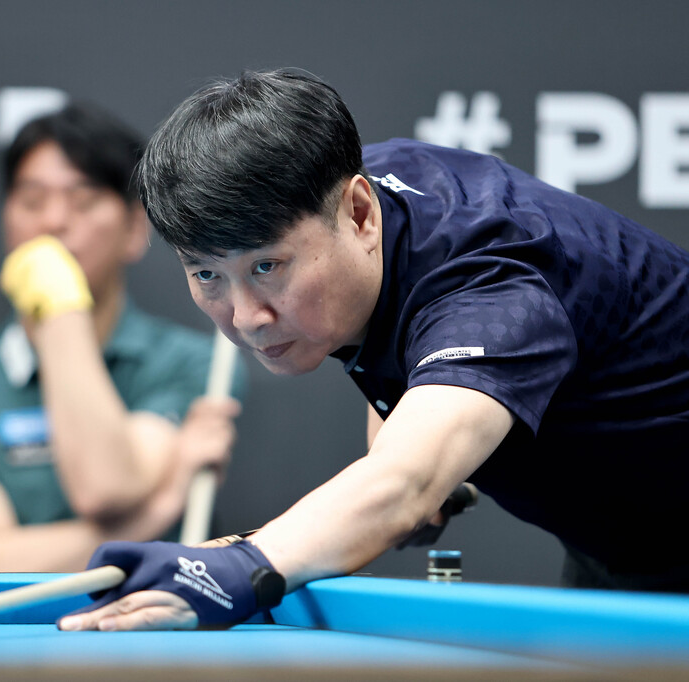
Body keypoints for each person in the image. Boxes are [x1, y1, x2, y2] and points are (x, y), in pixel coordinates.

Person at [58, 69, 689, 633]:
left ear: (360, 212)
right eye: (206, 275)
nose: (247, 318)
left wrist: (244, 566)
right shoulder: (351, 196)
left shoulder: (494, 289)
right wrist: (404, 446)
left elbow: (404, 483)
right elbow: (407, 356)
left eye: (267, 267)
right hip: (626, 540)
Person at [0, 103, 244, 572]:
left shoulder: (193, 363)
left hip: (157, 617)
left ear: (134, 229)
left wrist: (58, 309)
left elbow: (105, 486)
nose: (53, 221)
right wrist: (157, 511)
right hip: (7, 622)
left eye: (84, 201)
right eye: (32, 201)